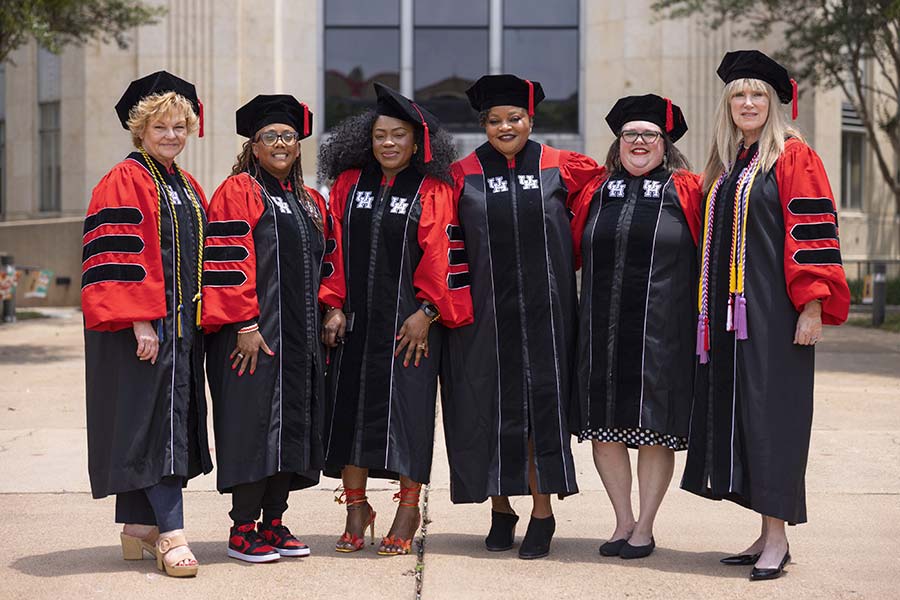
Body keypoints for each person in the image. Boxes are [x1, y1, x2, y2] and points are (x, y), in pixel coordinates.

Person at [681, 50, 850, 581]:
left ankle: (777, 538)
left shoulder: (794, 157)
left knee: (774, 420)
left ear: (775, 102)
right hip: (732, 318)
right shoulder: (731, 162)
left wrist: (813, 304)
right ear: (727, 105)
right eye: (738, 95)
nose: (747, 102)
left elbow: (814, 231)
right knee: (747, 421)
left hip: (776, 316)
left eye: (757, 95)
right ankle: (763, 531)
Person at [440, 74, 602, 560]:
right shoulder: (461, 174)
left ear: (531, 120)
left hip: (546, 315)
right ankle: (500, 507)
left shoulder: (563, 166)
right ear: (483, 125)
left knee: (538, 416)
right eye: (494, 121)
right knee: (486, 410)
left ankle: (542, 512)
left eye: (514, 119)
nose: (505, 127)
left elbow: (593, 223)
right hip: (483, 317)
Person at [317, 82, 472, 556]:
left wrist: (427, 313)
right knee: (351, 413)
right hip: (356, 321)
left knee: (408, 416)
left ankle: (408, 508)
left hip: (411, 326)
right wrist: (333, 304)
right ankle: (356, 509)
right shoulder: (348, 185)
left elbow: (443, 255)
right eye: (380, 134)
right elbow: (333, 248)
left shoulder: (434, 190)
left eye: (398, 135)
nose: (387, 143)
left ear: (417, 142)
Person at [201, 95, 343, 563]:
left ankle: (275, 523)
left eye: (288, 137)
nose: (280, 144)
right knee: (252, 426)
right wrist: (242, 321)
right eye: (270, 137)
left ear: (298, 146)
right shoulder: (239, 190)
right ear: (254, 146)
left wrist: (333, 309)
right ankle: (242, 529)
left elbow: (330, 263)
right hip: (251, 337)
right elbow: (225, 259)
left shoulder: (309, 200)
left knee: (293, 426)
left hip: (299, 339)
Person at [82, 70, 211, 578]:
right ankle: (172, 533)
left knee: (159, 421)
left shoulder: (182, 182)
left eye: (181, 126)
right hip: (144, 329)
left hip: (180, 328)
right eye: (162, 127)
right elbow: (119, 254)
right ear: (140, 129)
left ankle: (138, 528)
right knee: (156, 426)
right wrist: (140, 320)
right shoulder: (126, 178)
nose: (173, 135)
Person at [569, 94, 701, 559]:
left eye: (649, 135)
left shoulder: (688, 191)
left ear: (665, 143)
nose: (639, 142)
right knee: (604, 427)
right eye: (630, 135)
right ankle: (622, 521)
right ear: (618, 142)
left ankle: (645, 526)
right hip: (599, 330)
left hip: (662, 331)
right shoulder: (596, 191)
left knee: (653, 427)